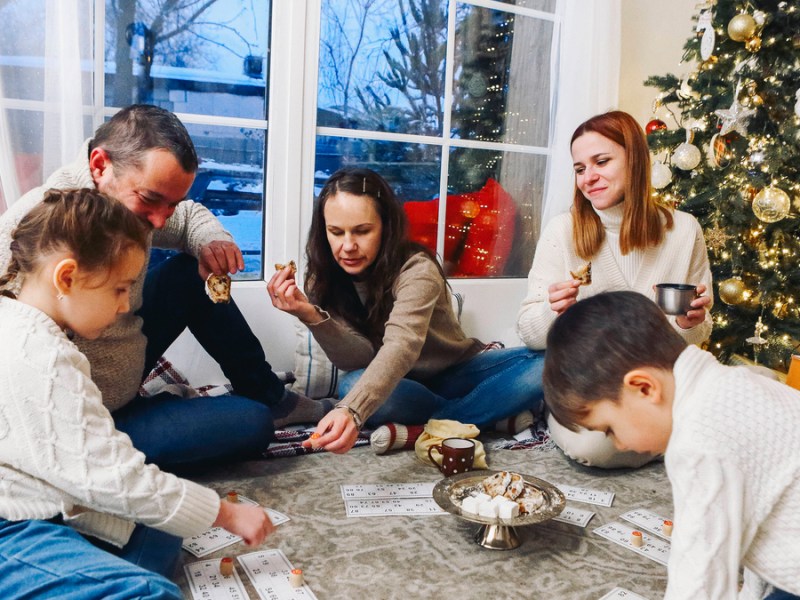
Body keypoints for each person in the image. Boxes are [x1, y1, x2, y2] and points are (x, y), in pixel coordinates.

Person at [0, 104, 329, 470]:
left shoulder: (126, 203)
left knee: (190, 273)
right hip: (88, 421)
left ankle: (270, 396)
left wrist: (211, 241)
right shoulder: (37, 230)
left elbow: (188, 216)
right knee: (251, 423)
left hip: (125, 368)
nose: (158, 221)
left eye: (169, 205)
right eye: (151, 200)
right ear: (99, 165)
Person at [0, 189, 274, 599]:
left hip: (45, 494)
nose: (126, 306)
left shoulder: (26, 326)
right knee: (150, 591)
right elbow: (110, 476)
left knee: (162, 528)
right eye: (118, 289)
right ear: (66, 277)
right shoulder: (44, 355)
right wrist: (225, 512)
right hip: (14, 527)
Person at [542, 291, 800, 600]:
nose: (619, 444)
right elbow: (764, 511)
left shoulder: (700, 438)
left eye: (609, 429)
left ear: (644, 388)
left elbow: (699, 579)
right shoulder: (736, 385)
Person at [268, 167, 545, 454]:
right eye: (336, 232)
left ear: (386, 227)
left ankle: (427, 428)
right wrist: (312, 316)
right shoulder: (322, 277)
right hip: (399, 386)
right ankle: (482, 417)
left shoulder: (416, 268)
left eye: (362, 231)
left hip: (456, 372)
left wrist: (351, 411)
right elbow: (358, 359)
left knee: (549, 363)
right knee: (352, 384)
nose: (347, 246)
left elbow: (402, 345)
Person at [517, 110, 713, 468]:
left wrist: (689, 324)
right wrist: (552, 311)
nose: (589, 178)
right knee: (600, 448)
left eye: (601, 162)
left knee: (742, 405)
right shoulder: (564, 231)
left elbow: (694, 339)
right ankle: (662, 438)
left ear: (635, 160)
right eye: (579, 169)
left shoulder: (684, 231)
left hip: (658, 384)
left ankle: (659, 435)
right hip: (594, 382)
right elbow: (529, 333)